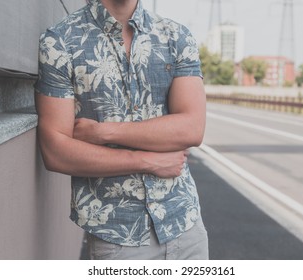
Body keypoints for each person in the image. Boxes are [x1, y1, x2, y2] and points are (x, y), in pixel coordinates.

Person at [34, 0, 208, 260]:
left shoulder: (176, 37)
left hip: (185, 225)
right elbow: (56, 152)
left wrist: (104, 133)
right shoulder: (60, 41)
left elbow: (191, 129)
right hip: (116, 237)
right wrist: (148, 161)